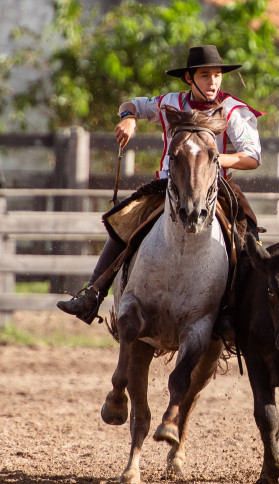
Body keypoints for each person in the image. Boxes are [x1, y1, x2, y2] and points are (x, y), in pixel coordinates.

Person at [57, 45, 262, 324]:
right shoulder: (170, 103)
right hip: (168, 185)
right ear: (189, 78)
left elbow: (251, 158)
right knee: (125, 221)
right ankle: (93, 293)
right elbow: (130, 104)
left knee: (247, 234)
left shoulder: (234, 110)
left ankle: (238, 315)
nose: (212, 82)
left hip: (214, 186)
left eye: (216, 75)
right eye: (205, 75)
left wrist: (211, 159)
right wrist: (128, 118)